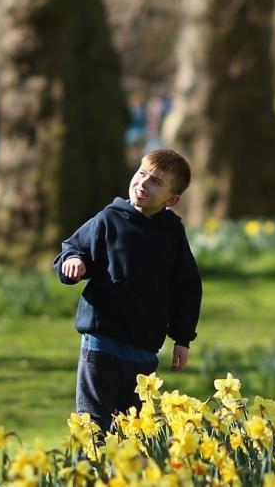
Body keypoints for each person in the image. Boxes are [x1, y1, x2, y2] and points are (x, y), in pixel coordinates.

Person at [53, 149, 203, 432]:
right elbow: (73, 248)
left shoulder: (172, 233)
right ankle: (88, 473)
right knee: (93, 425)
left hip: (143, 350)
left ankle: (124, 475)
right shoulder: (109, 219)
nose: (143, 184)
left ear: (171, 200)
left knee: (133, 428)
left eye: (156, 182)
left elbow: (186, 288)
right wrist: (73, 262)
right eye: (141, 174)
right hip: (101, 343)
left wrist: (183, 339)